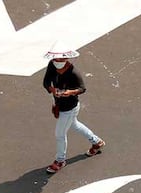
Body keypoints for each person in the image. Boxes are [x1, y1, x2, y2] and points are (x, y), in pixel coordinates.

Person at [42, 42, 106, 174]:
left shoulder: (73, 72)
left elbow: (82, 88)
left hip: (69, 108)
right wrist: (52, 90)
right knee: (75, 125)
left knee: (59, 134)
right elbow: (46, 81)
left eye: (60, 59)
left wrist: (68, 93)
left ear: (66, 58)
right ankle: (97, 142)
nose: (57, 61)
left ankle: (60, 160)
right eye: (55, 59)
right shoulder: (52, 65)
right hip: (59, 103)